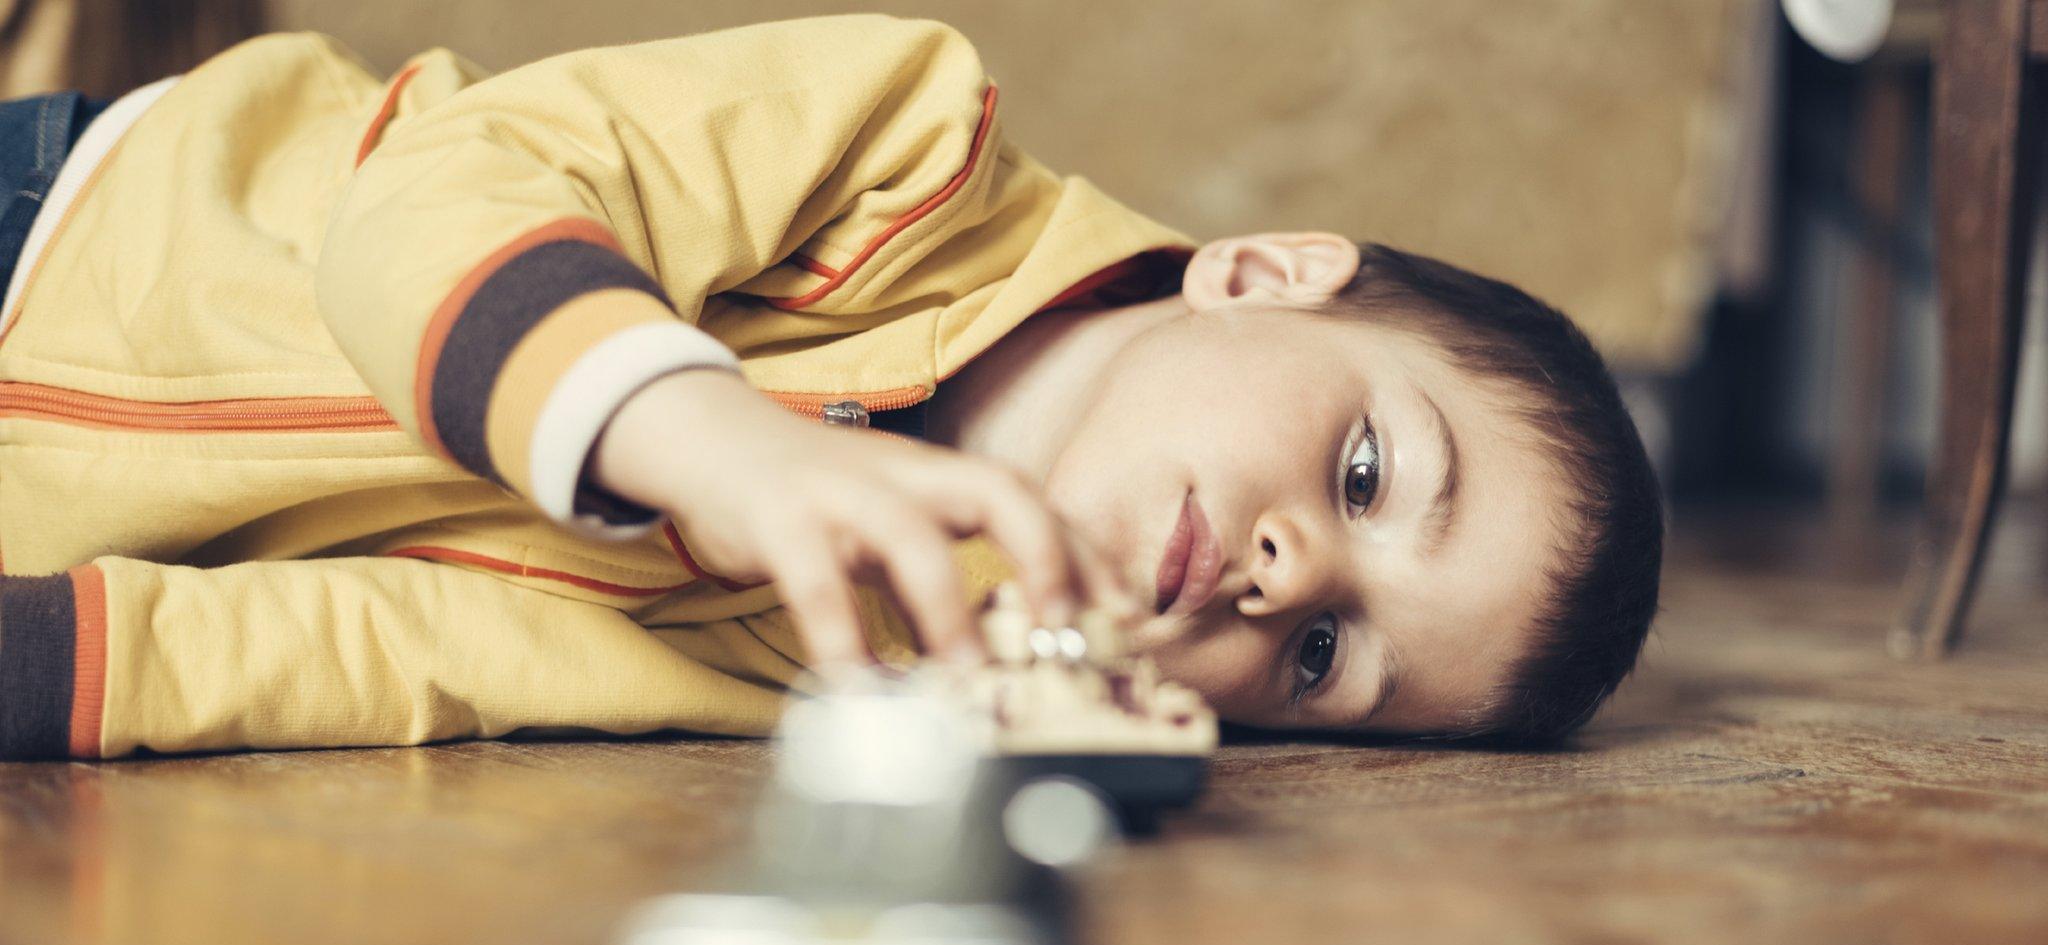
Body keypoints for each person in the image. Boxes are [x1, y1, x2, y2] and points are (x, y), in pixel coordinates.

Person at [0, 14, 1661, 761]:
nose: (1287, 577)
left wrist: (62, 666)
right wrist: (702, 435)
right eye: (1369, 476)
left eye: (1324, 656)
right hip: (65, 223)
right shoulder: (907, 143)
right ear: (1268, 270)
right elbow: (434, 199)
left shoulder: (877, 662)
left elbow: (414, 650)